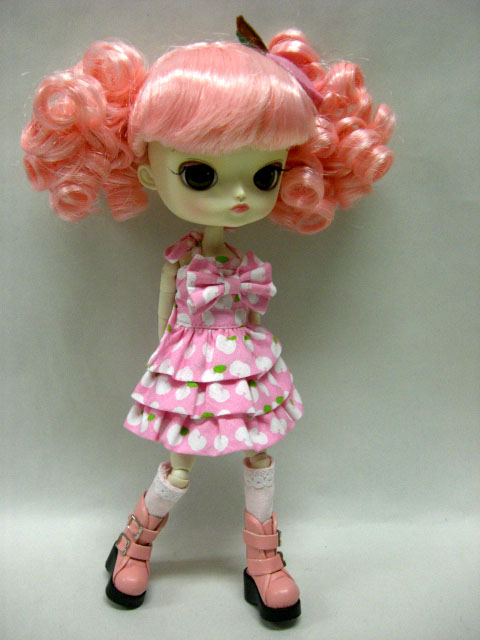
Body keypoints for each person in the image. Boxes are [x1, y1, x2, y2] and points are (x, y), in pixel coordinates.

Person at [21, 16, 394, 622]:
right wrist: (166, 369)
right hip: (189, 363)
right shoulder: (180, 259)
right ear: (149, 172)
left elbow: (247, 306)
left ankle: (263, 560)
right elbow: (164, 317)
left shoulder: (244, 263)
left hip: (245, 362)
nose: (240, 196)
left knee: (261, 457)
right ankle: (134, 542)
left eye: (265, 175)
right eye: (200, 174)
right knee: (179, 465)